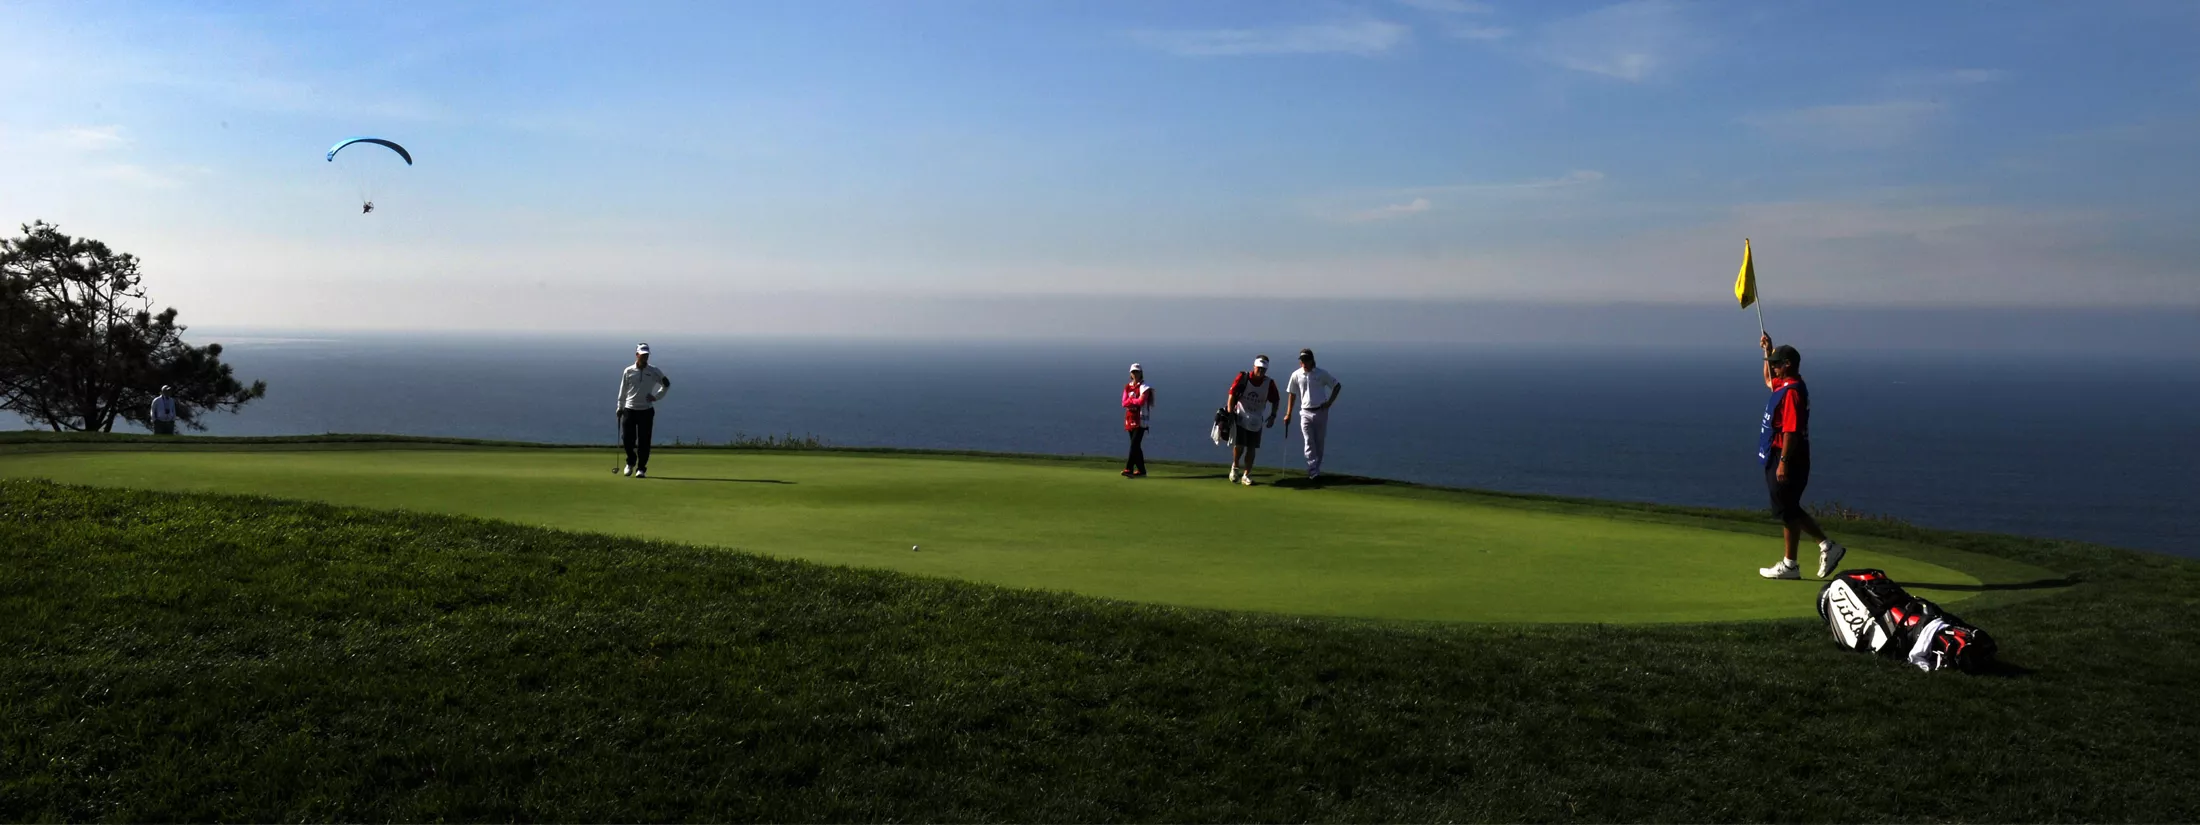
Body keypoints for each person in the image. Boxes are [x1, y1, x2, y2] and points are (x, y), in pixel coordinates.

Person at [1755, 332, 1848, 580]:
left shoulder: (1793, 392)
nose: (1772, 367)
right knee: (1788, 508)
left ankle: (1825, 546)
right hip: (1778, 453)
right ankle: (1791, 564)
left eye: (1776, 363)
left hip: (1788, 456)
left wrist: (1783, 463)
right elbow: (1768, 382)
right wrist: (1768, 350)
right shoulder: (1785, 385)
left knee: (1786, 508)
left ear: (1788, 365)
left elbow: (1791, 431)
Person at [1284, 348, 1343, 482]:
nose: (1303, 363)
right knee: (1308, 441)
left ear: (1312, 360)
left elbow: (1337, 386)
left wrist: (1329, 403)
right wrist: (1288, 414)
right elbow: (1292, 394)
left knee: (1319, 442)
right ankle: (1313, 471)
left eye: (1306, 360)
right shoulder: (1296, 375)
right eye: (1302, 360)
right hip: (1305, 412)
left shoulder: (1321, 374)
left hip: (1320, 411)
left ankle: (1316, 468)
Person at [615, 343, 672, 478]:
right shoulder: (628, 371)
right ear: (637, 355)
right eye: (642, 354)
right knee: (627, 440)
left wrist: (656, 397)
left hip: (646, 411)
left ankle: (641, 468)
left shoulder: (654, 371)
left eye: (646, 355)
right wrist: (620, 407)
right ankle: (630, 462)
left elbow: (666, 384)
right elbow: (623, 390)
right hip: (629, 409)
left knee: (644, 441)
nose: (645, 357)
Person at [1222, 355, 1281, 486]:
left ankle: (1246, 475)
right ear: (1254, 366)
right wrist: (1230, 413)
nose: (1261, 371)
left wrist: (1273, 415)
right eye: (1259, 368)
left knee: (1252, 448)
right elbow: (1231, 395)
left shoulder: (1269, 383)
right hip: (1241, 416)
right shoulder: (1243, 378)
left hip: (1256, 420)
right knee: (1239, 446)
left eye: (1263, 369)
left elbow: (1276, 400)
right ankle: (1235, 468)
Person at [1120, 364, 1155, 478]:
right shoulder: (1127, 387)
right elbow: (1123, 403)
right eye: (1133, 372)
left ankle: (1129, 468)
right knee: (1136, 445)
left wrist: (1131, 400)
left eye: (1137, 372)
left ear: (1141, 373)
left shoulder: (1145, 387)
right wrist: (1133, 401)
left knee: (1134, 444)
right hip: (1130, 419)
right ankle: (1141, 470)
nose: (1135, 374)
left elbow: (1141, 401)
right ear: (1130, 374)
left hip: (1141, 420)